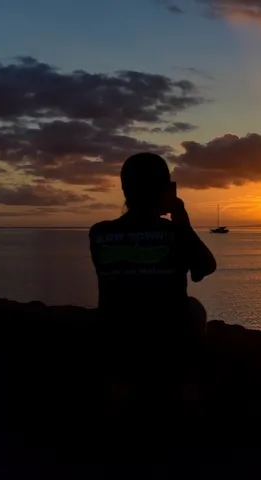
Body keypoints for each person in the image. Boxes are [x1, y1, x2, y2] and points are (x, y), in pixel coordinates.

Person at [88, 152, 216, 412]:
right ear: (164, 190)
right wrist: (182, 222)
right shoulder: (174, 234)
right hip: (166, 349)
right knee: (194, 308)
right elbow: (205, 267)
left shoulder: (100, 233)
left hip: (117, 347)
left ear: (125, 188)